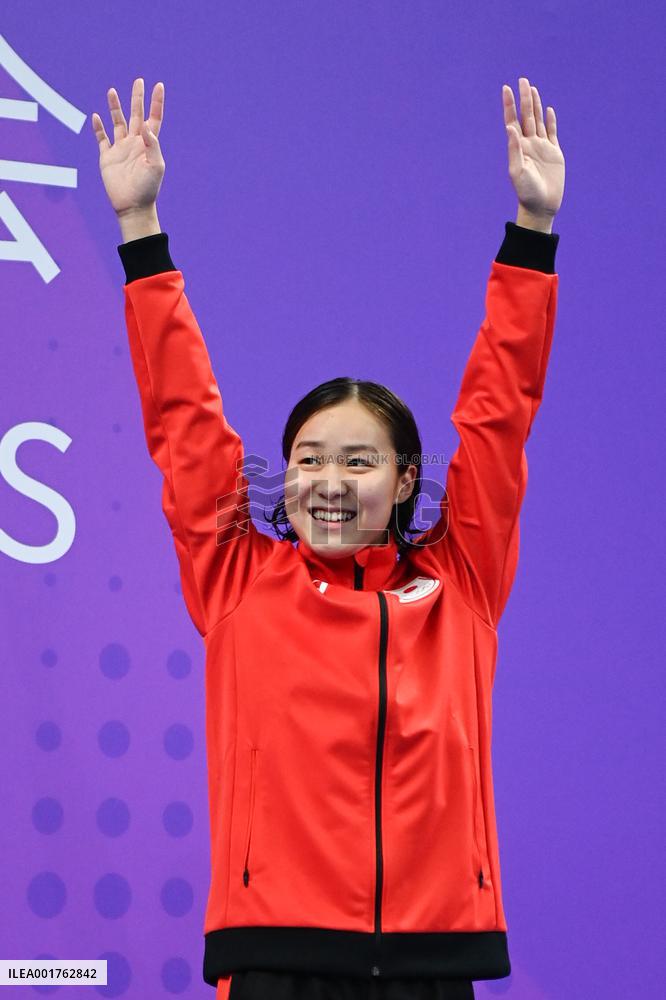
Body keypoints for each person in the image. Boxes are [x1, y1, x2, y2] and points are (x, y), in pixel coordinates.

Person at [92, 75, 565, 1000]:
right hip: (276, 956)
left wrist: (533, 229)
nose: (330, 483)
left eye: (359, 461)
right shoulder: (237, 577)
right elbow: (185, 420)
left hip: (435, 959)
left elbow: (501, 413)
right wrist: (140, 226)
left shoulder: (463, 580)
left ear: (406, 479)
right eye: (308, 459)